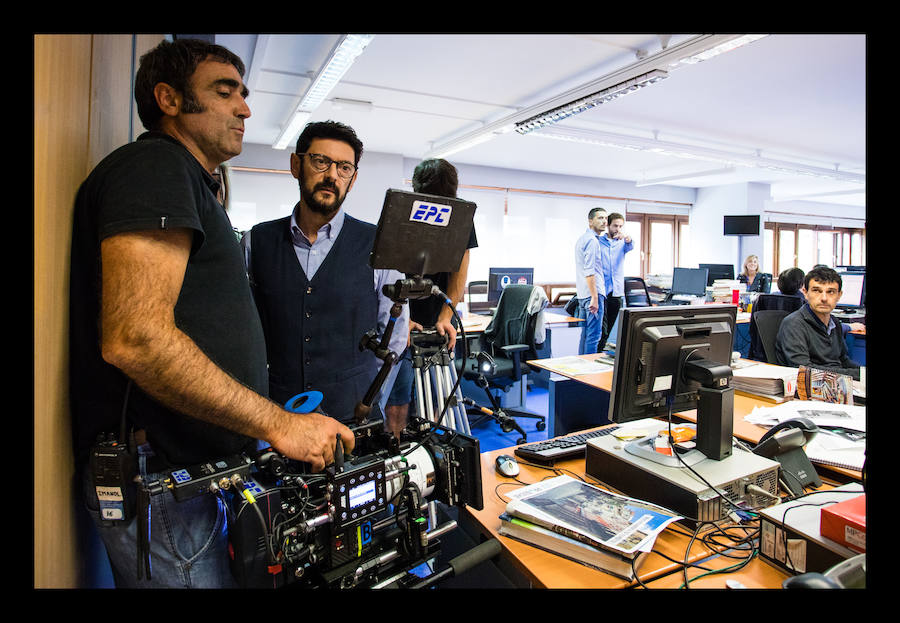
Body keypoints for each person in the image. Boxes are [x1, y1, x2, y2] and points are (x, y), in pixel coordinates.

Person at [69, 39, 354, 589]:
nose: (245, 108)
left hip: (185, 475)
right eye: (225, 92)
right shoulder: (156, 166)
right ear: (168, 99)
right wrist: (279, 424)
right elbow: (137, 339)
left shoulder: (189, 182)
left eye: (243, 94)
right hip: (159, 478)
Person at [242, 120, 408, 426]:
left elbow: (394, 340)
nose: (332, 175)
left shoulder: (380, 246)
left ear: (353, 179)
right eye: (321, 161)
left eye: (344, 167)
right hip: (278, 417)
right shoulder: (256, 242)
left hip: (354, 416)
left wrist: (368, 400)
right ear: (296, 164)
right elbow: (245, 332)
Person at [383, 159, 478, 437]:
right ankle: (398, 450)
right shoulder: (401, 213)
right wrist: (403, 319)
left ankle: (438, 455)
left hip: (439, 325)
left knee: (442, 399)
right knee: (398, 398)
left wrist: (446, 316)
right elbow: (387, 272)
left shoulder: (460, 217)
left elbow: (460, 273)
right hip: (401, 322)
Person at [775, 266, 861, 380]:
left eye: (831, 292)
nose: (824, 298)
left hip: (838, 384)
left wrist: (862, 374)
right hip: (811, 388)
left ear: (839, 295)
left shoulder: (834, 322)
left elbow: (843, 360)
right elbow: (804, 370)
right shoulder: (794, 324)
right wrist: (853, 375)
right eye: (816, 291)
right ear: (805, 293)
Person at [596, 211, 633, 353]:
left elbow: (631, 244)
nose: (618, 229)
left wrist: (627, 238)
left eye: (620, 226)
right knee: (601, 330)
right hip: (602, 291)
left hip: (616, 292)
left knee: (611, 329)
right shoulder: (598, 242)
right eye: (615, 226)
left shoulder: (623, 243)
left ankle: (602, 357)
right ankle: (596, 358)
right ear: (608, 226)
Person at [573, 207, 607, 354]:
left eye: (605, 218)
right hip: (593, 294)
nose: (604, 221)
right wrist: (594, 297)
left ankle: (580, 370)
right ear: (590, 221)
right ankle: (589, 373)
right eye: (600, 218)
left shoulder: (582, 239)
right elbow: (589, 271)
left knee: (583, 335)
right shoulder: (592, 241)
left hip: (583, 295)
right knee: (593, 336)